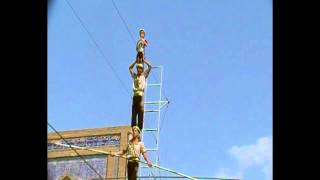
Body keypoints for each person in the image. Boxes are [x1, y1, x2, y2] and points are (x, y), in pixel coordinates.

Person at [129, 52, 152, 130]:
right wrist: (136, 61)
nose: (138, 70)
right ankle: (133, 126)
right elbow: (129, 68)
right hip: (135, 95)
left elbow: (150, 66)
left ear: (142, 69)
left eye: (140, 69)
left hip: (140, 95)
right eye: (138, 68)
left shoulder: (143, 75)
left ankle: (140, 128)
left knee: (140, 111)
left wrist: (144, 60)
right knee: (134, 111)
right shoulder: (135, 76)